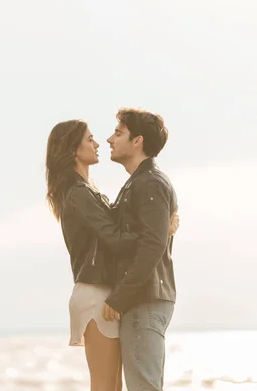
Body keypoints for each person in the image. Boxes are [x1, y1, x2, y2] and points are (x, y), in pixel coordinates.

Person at [45, 119, 179, 391]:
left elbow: (118, 228)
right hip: (94, 295)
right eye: (90, 139)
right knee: (106, 387)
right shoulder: (79, 194)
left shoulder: (90, 193)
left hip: (103, 293)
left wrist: (160, 230)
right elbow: (116, 239)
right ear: (72, 149)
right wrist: (160, 233)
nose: (98, 143)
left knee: (113, 387)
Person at [102, 108, 178, 391]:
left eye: (118, 133)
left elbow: (153, 243)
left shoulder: (150, 183)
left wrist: (119, 297)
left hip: (143, 299)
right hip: (144, 298)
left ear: (138, 141)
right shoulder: (140, 183)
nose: (109, 139)